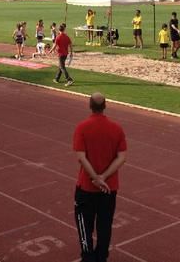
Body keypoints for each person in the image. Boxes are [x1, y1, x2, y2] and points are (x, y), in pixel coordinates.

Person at [73, 92, 127, 262]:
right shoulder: (117, 128)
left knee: (84, 225)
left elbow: (81, 157)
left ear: (90, 105)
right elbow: (122, 157)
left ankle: (87, 257)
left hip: (86, 187)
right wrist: (103, 177)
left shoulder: (82, 127)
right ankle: (102, 256)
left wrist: (95, 178)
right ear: (105, 105)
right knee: (104, 225)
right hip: (109, 188)